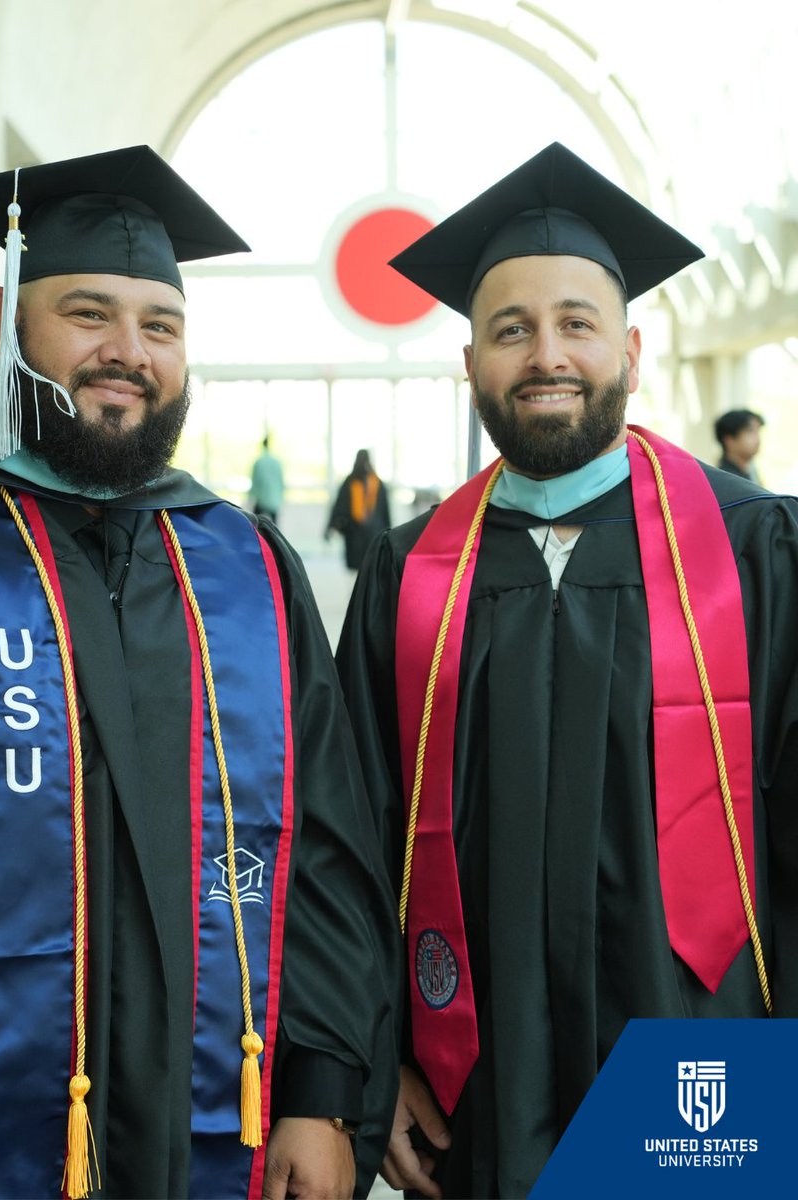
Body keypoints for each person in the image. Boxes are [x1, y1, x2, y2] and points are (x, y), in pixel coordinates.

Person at [0, 146, 400, 1200]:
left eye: (161, 326)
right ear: (5, 322)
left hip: (212, 1121)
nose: (128, 353)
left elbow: (325, 848)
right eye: (88, 314)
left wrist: (321, 1092)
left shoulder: (248, 565)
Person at [335, 143, 798, 1199]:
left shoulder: (756, 550)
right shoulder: (409, 576)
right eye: (512, 329)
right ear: (471, 364)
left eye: (577, 324)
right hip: (471, 1081)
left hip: (705, 1066)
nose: (547, 355)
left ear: (630, 350)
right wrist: (367, 1063)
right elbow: (347, 844)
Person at [326, 450, 391, 571]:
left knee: (371, 564)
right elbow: (340, 506)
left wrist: (388, 532)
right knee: (360, 565)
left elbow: (384, 510)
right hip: (355, 532)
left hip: (371, 533)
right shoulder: (350, 482)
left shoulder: (376, 483)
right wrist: (332, 525)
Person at [715, 407, 765, 481]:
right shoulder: (725, 480)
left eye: (757, 431)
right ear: (729, 440)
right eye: (750, 431)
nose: (757, 439)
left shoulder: (751, 472)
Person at [249, 434, 285, 524]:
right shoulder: (277, 462)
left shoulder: (259, 462)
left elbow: (255, 482)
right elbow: (281, 482)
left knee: (254, 524)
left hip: (261, 500)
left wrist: (251, 496)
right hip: (274, 500)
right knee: (274, 527)